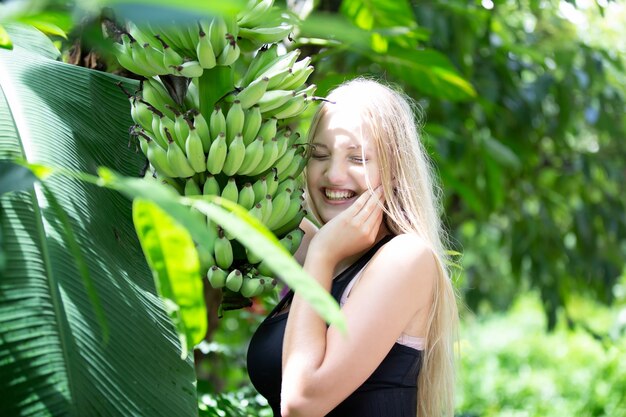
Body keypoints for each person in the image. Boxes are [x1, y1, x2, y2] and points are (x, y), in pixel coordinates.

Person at [246, 78, 459, 417]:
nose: (333, 174)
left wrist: (322, 255)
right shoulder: (318, 247)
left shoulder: (405, 258)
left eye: (357, 158)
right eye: (319, 154)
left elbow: (301, 403)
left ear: (393, 171)